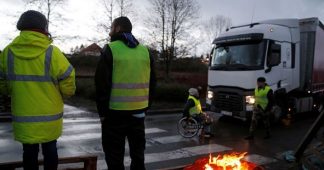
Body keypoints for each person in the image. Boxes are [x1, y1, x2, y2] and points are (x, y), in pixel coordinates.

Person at [0, 10, 75, 170]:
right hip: (50, 118)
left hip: (23, 117)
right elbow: (68, 76)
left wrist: (9, 91)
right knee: (50, 150)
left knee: (29, 152)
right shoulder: (52, 52)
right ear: (44, 28)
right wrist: (65, 94)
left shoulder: (7, 52)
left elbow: (2, 82)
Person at [95, 16, 156, 170]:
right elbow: (152, 82)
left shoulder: (110, 49)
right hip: (138, 114)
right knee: (138, 156)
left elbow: (101, 84)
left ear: (117, 29)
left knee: (114, 158)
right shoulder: (145, 51)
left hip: (114, 115)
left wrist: (102, 113)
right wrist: (146, 106)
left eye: (111, 27)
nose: (109, 32)